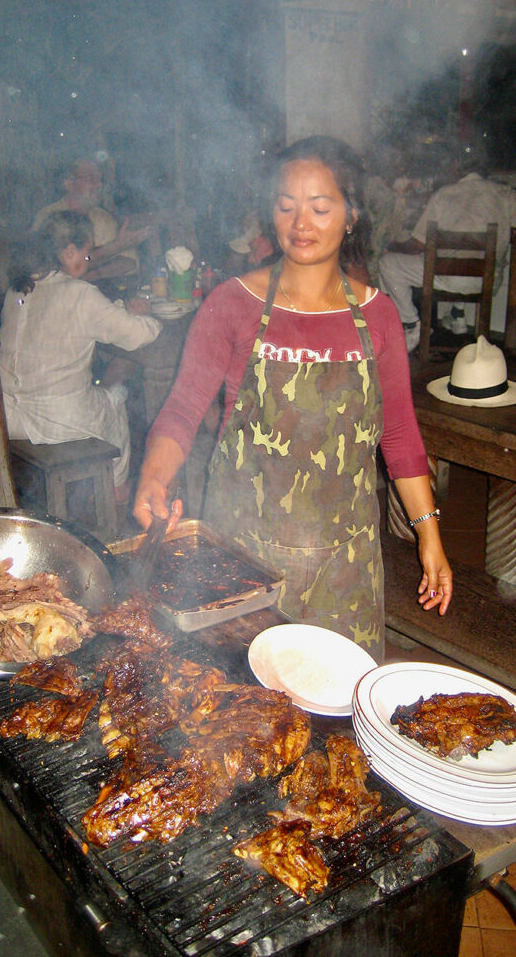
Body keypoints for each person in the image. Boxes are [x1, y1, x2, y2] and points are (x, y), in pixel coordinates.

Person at [133, 136, 452, 661]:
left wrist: (429, 536)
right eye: (286, 206)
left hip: (345, 566)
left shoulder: (378, 317)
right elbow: (184, 408)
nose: (301, 223)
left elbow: (398, 435)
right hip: (244, 557)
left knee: (338, 717)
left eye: (320, 207)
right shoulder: (232, 304)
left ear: (351, 216)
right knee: (246, 713)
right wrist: (153, 477)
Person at [0, 211, 161, 501]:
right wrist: (148, 317)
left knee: (101, 392)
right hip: (57, 419)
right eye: (86, 255)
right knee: (116, 398)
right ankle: (116, 491)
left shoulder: (18, 289)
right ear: (69, 251)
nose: (88, 262)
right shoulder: (79, 294)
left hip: (9, 416)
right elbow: (137, 336)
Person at [378, 145, 516, 352]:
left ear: (456, 166)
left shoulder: (444, 195)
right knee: (459, 265)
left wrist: (393, 246)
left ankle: (411, 324)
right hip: (488, 279)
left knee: (387, 263)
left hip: (448, 277)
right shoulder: (503, 193)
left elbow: (419, 243)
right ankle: (457, 314)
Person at [32, 159, 151, 274]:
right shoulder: (48, 216)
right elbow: (45, 265)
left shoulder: (102, 218)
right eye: (91, 178)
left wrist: (90, 276)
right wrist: (111, 250)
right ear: (69, 184)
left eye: (100, 179)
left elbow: (129, 263)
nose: (99, 184)